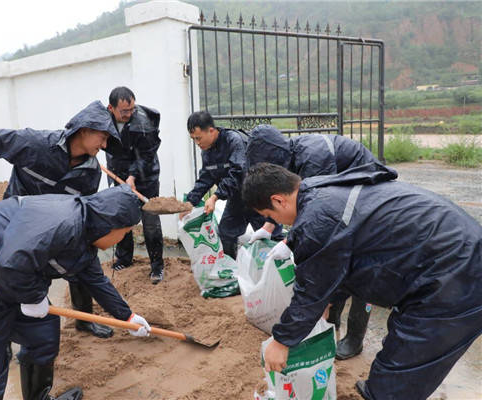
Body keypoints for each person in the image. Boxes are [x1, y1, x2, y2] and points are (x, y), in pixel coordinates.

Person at [242, 162, 482, 400]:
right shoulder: (319, 190)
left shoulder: (318, 220)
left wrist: (281, 341)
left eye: (270, 216)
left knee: (402, 372)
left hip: (457, 275)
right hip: (448, 256)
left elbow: (311, 288)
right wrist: (328, 300)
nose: (278, 223)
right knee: (398, 346)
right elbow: (340, 260)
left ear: (278, 200)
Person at [0, 185, 152, 400]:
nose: (122, 239)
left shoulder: (85, 233)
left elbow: (96, 281)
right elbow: (9, 264)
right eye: (125, 232)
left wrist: (127, 317)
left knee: (43, 333)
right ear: (110, 225)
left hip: (8, 280)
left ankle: (39, 397)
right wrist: (33, 299)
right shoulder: (63, 223)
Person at [0, 100, 117, 339]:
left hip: (56, 227)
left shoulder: (90, 171)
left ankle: (84, 321)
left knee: (82, 262)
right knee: (10, 275)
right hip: (18, 224)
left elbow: (83, 208)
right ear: (85, 130)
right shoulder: (36, 145)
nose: (104, 145)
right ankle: (5, 335)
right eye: (102, 138)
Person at [246, 124, 381, 360]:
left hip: (366, 197)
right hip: (341, 201)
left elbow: (319, 214)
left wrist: (289, 240)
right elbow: (284, 201)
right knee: (335, 265)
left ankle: (355, 337)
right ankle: (332, 318)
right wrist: (269, 226)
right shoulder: (287, 158)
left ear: (277, 156)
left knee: (360, 265)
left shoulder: (314, 158)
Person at [182, 111, 282, 259]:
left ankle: (283, 267)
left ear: (211, 130)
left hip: (257, 196)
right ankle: (230, 268)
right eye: (193, 139)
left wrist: (215, 197)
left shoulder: (234, 141)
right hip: (236, 198)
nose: (197, 143)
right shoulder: (207, 151)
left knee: (271, 235)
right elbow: (206, 178)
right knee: (226, 233)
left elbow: (238, 173)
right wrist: (190, 201)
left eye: (199, 138)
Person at [105, 86, 165, 284]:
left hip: (146, 176)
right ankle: (124, 258)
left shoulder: (143, 123)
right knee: (122, 217)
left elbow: (147, 155)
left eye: (132, 109)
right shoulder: (103, 120)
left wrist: (132, 176)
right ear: (111, 108)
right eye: (124, 111)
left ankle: (157, 266)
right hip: (117, 174)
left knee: (150, 220)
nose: (129, 114)